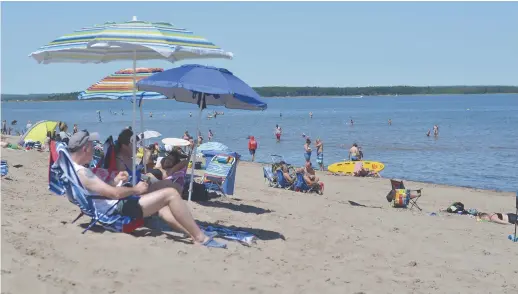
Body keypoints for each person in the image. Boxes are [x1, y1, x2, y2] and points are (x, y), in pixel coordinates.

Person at [66, 130, 225, 248]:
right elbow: (113, 194)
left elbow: (102, 191)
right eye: (92, 146)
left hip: (110, 206)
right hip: (117, 210)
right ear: (85, 148)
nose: (94, 149)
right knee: (171, 193)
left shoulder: (72, 170)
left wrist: (115, 181)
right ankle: (200, 238)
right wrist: (136, 189)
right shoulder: (83, 173)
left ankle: (192, 232)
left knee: (163, 205)